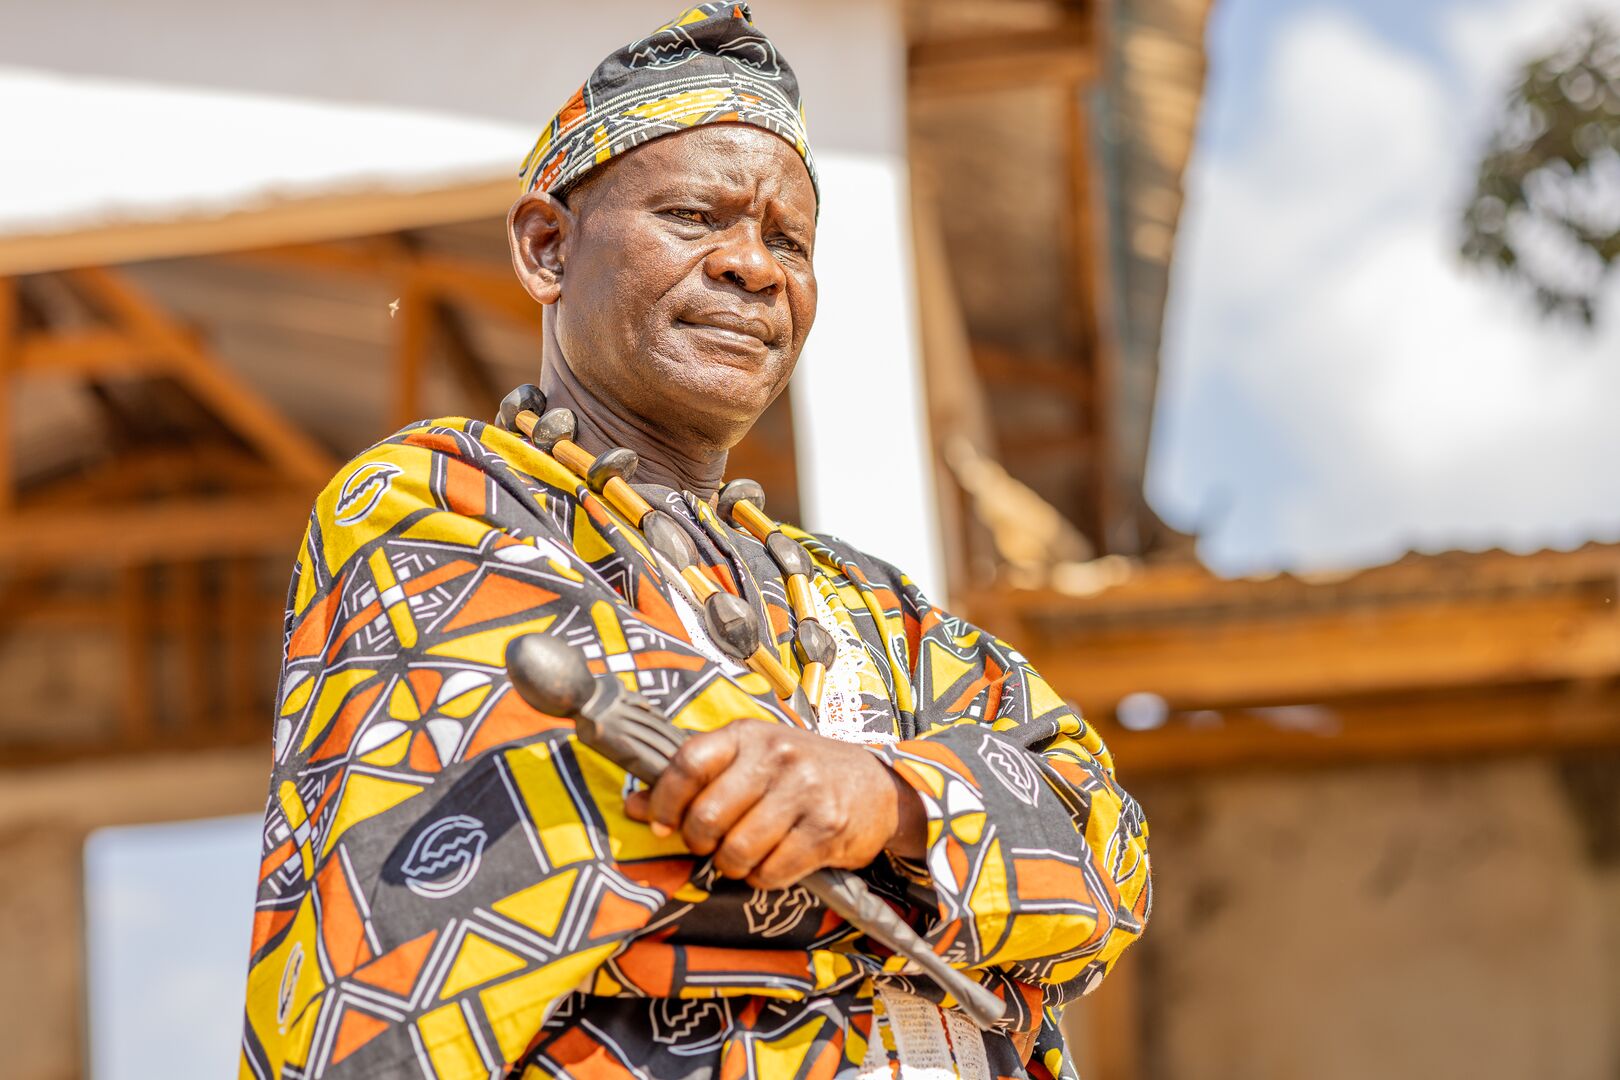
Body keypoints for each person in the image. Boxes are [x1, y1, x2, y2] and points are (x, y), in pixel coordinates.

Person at [239, 6, 1150, 1078]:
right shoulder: (431, 501)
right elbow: (606, 789)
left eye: (789, 241)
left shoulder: (871, 604)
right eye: (693, 216)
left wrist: (883, 800)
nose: (753, 268)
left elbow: (1107, 842)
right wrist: (956, 846)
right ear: (546, 247)